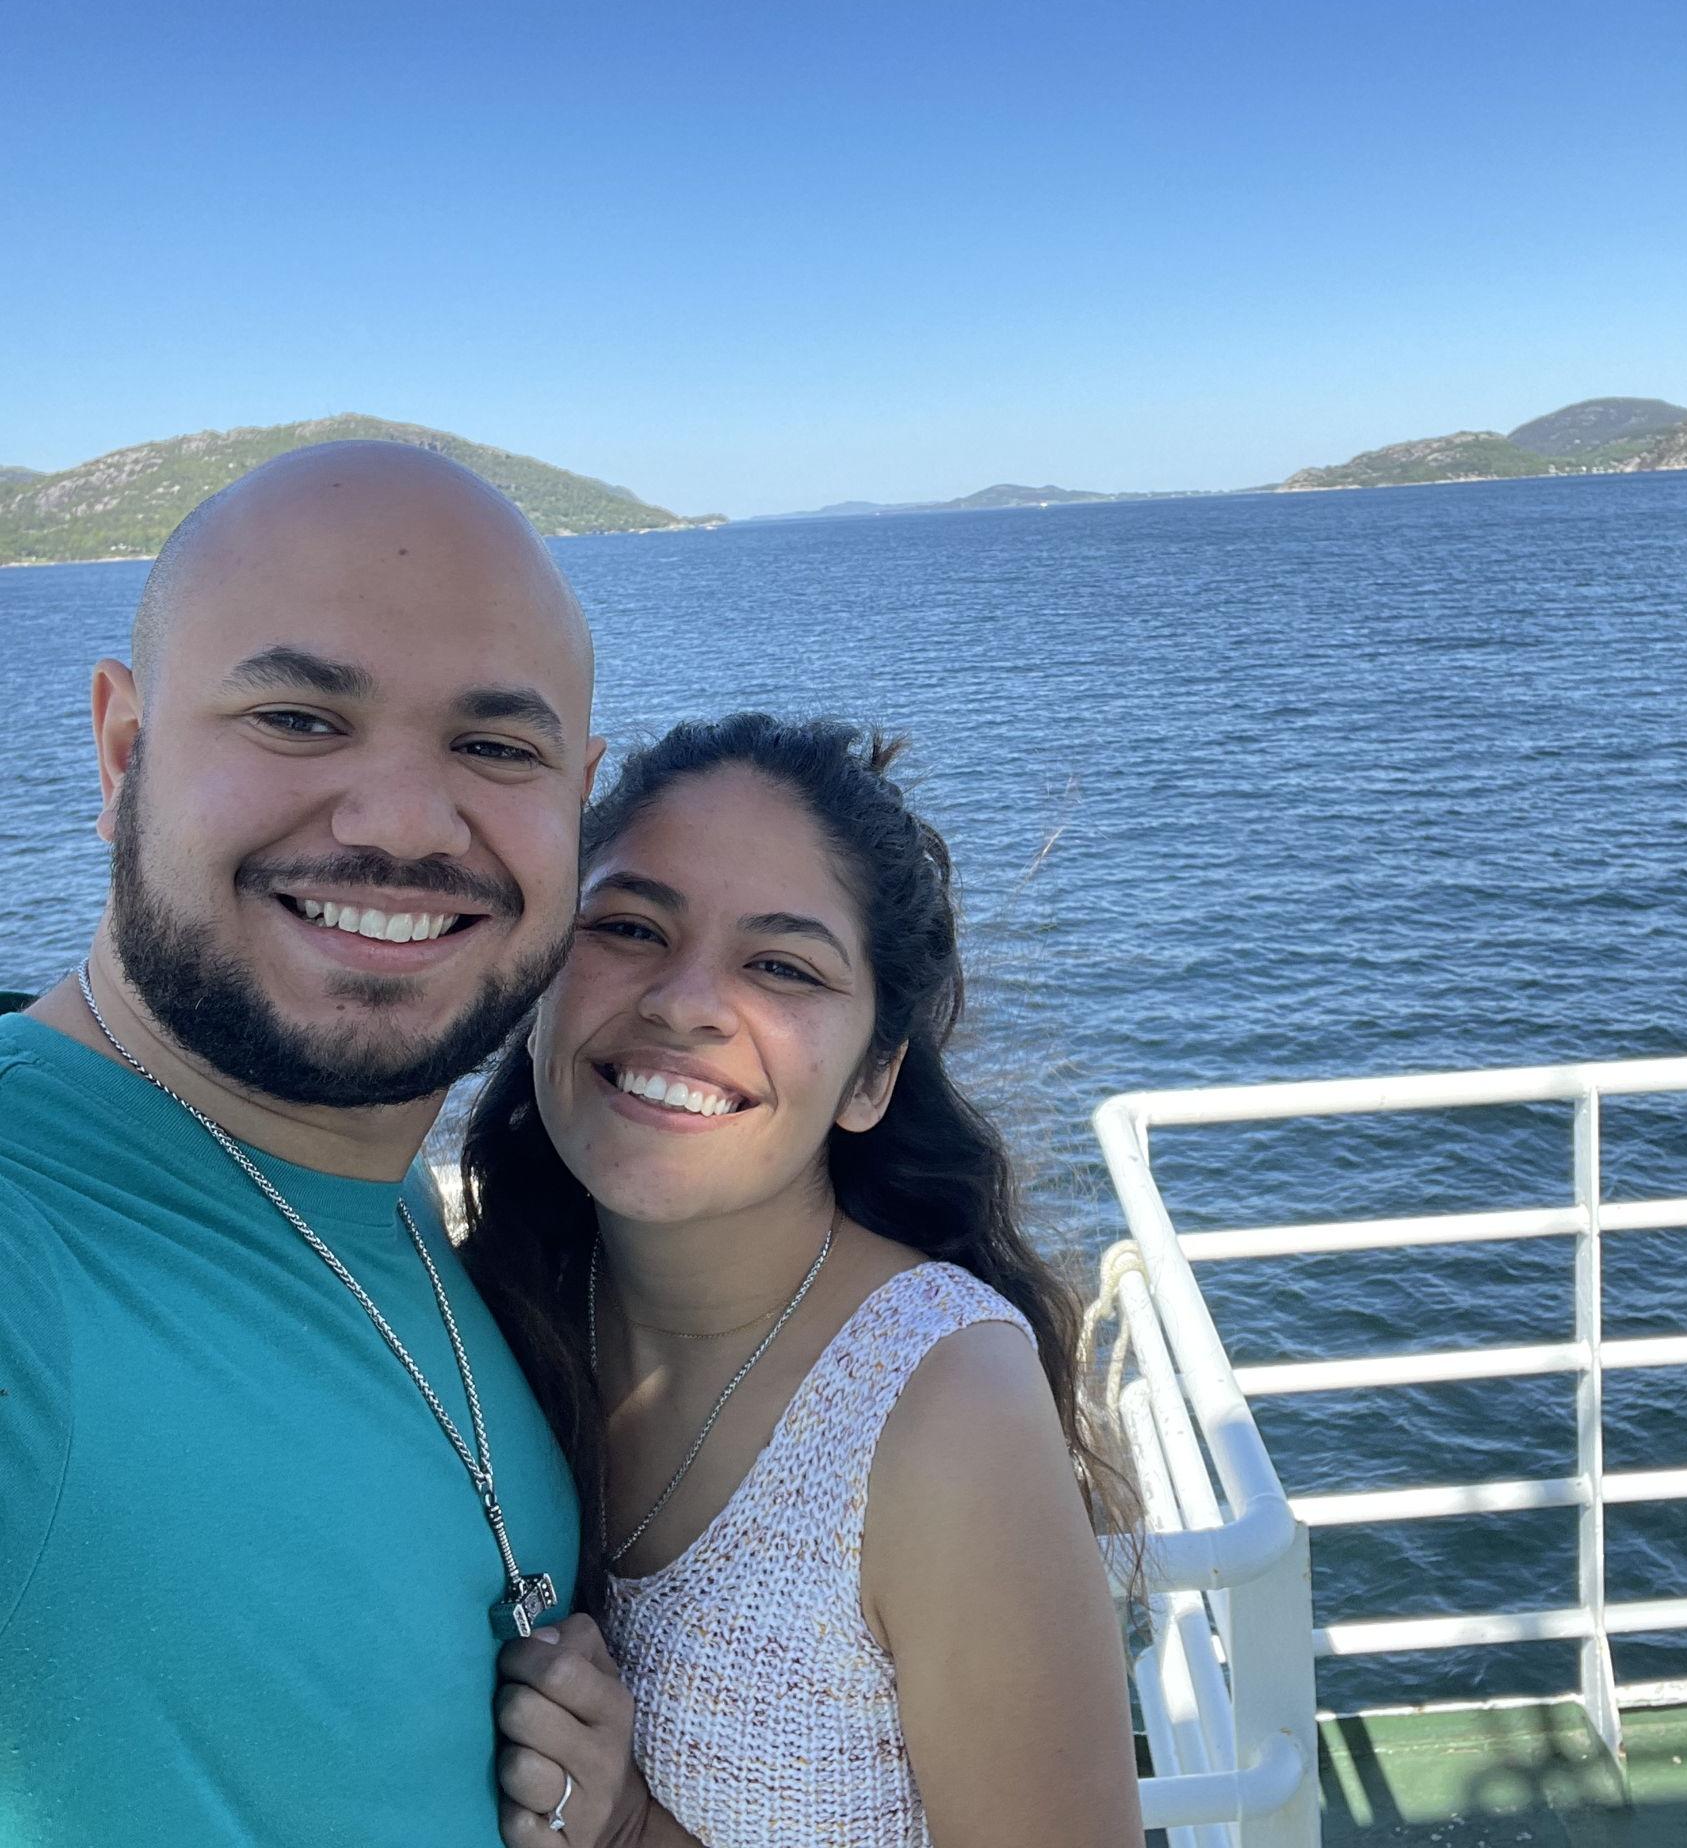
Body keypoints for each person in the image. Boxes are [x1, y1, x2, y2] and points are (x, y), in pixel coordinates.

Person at [0, 442, 606, 1846]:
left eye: (495, 747)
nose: (403, 823)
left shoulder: (382, 1199)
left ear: (577, 796)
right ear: (123, 750)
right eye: (297, 717)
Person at [459, 714, 1144, 1848]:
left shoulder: (941, 1409)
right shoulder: (487, 1305)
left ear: (872, 1077)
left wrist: (628, 1827)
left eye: (781, 965)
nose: (684, 1001)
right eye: (627, 926)